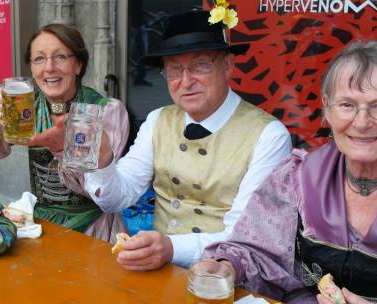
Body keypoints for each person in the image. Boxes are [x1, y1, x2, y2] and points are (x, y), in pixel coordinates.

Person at [202, 41, 377, 304]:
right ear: (327, 108)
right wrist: (227, 266)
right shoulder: (297, 177)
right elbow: (255, 251)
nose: (361, 123)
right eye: (347, 105)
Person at [79, 10, 292, 270]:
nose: (186, 81)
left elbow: (245, 237)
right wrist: (103, 162)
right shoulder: (158, 120)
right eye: (174, 70)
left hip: (226, 277)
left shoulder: (269, 135)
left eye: (200, 65)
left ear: (227, 66)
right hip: (160, 271)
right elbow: (117, 198)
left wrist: (170, 248)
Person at [0, 23, 129, 241]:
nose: (49, 67)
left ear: (79, 65)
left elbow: (100, 189)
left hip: (93, 229)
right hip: (39, 225)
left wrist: (61, 146)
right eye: (39, 59)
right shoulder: (26, 107)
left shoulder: (103, 110)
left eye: (61, 56)